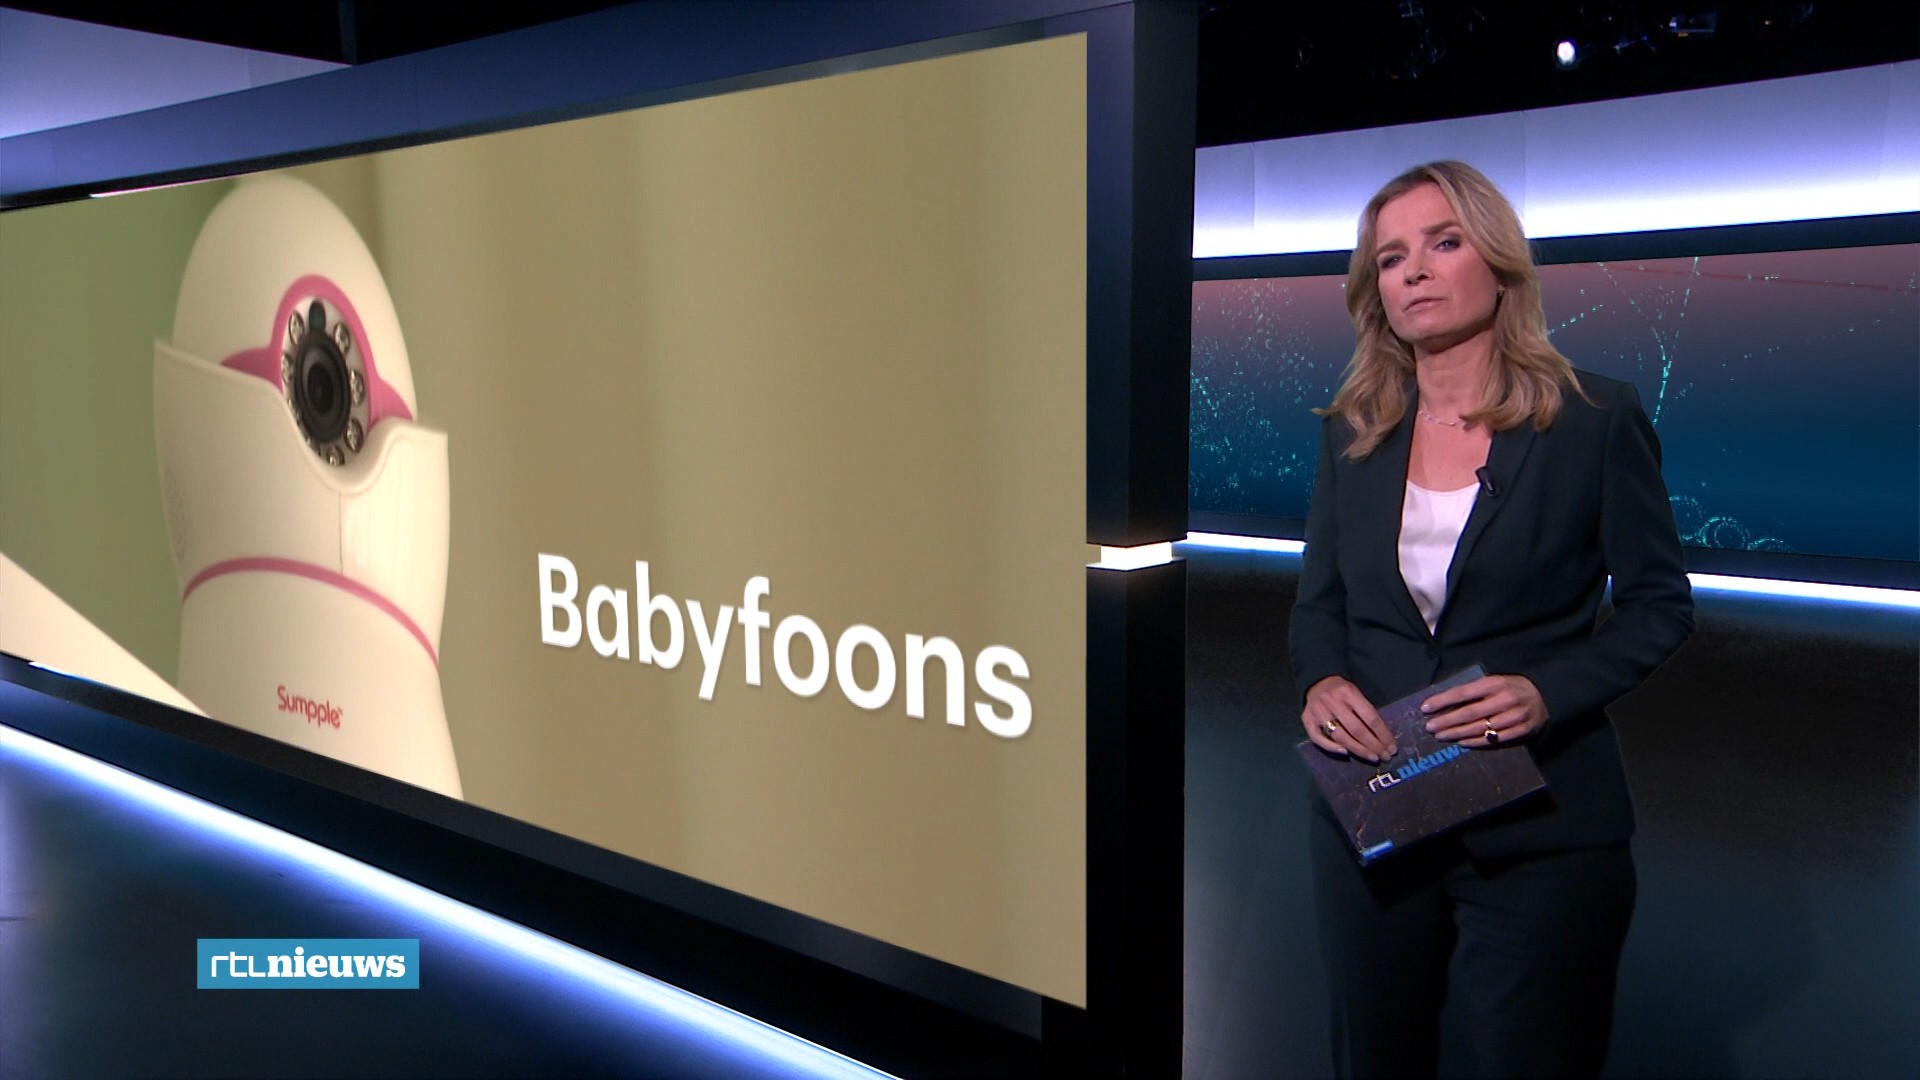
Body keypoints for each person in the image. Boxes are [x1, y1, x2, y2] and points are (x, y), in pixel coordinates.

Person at [1289, 160, 1694, 1079]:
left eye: (1444, 242)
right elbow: (1321, 603)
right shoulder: (1354, 431)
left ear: (1500, 263)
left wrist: (1548, 692)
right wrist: (1321, 680)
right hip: (1376, 809)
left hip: (1541, 825)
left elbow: (1660, 605)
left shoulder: (1593, 419)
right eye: (1391, 258)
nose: (1415, 271)